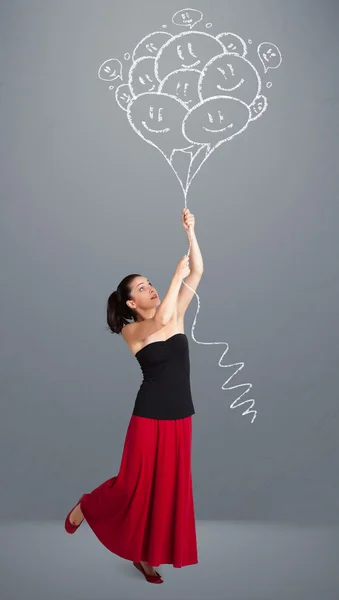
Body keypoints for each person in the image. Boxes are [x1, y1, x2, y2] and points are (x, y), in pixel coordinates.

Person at [64, 208, 204, 584]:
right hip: (148, 417)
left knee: (166, 491)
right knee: (133, 485)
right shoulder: (132, 332)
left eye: (149, 282)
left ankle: (145, 558)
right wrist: (175, 277)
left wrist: (190, 234)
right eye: (141, 288)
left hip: (181, 416)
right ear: (130, 304)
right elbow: (158, 322)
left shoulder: (175, 315)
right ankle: (87, 505)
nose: (150, 288)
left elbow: (198, 272)